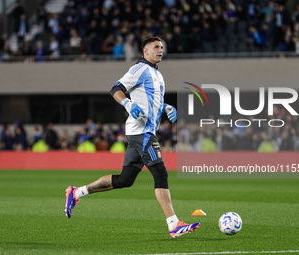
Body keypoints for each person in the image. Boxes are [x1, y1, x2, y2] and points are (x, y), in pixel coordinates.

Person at [65, 37, 200, 238]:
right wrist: (127, 104)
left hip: (144, 131)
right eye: (156, 47)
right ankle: (173, 225)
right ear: (145, 51)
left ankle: (76, 193)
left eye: (162, 47)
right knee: (160, 173)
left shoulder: (157, 74)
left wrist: (166, 108)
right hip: (141, 132)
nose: (160, 50)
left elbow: (150, 104)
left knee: (125, 180)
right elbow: (116, 88)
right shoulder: (140, 69)